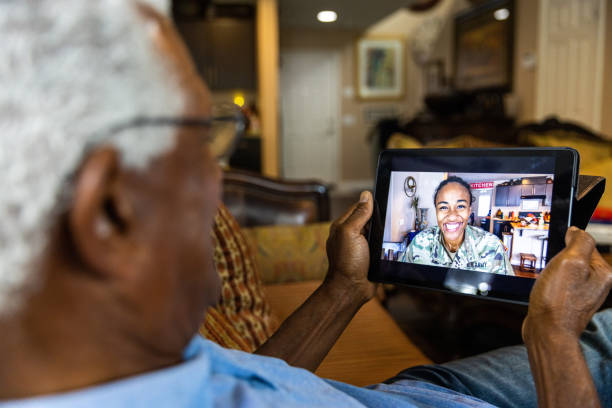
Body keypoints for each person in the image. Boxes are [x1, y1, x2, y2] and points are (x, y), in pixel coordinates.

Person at [0, 1, 611, 407]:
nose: (219, 180)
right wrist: (552, 333)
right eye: (196, 144)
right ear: (109, 213)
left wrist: (344, 286)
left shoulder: (110, 351)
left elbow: (257, 384)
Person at [400, 177, 514, 276]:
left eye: (460, 206)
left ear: (469, 211)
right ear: (436, 212)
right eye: (443, 207)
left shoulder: (492, 246)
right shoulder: (419, 242)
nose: (452, 216)